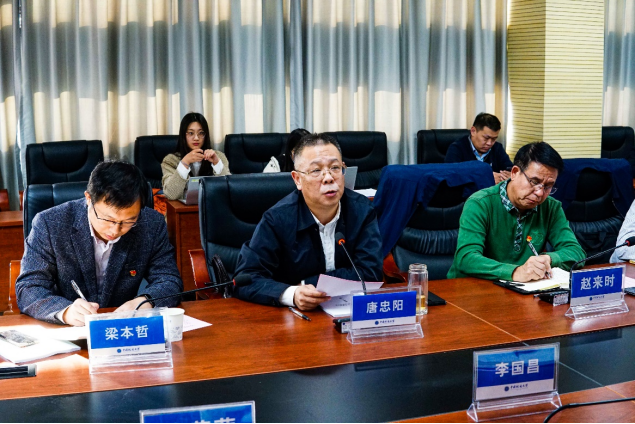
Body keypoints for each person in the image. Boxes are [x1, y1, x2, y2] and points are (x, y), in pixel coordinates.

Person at [16, 161, 184, 326]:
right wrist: (65, 312)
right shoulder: (50, 223)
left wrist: (145, 302)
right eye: (107, 219)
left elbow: (169, 279)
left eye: (128, 221)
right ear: (88, 198)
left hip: (124, 326)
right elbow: (29, 287)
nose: (115, 230)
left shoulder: (151, 224)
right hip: (69, 329)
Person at [233, 133, 383, 310]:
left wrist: (308, 283)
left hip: (348, 312)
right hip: (292, 317)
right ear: (297, 179)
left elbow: (370, 272)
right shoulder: (277, 219)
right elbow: (246, 278)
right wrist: (292, 294)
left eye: (335, 168)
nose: (328, 178)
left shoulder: (362, 210)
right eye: (316, 170)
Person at [447, 142, 585, 283]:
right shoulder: (480, 203)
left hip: (521, 289)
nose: (539, 193)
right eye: (534, 181)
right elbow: (466, 258)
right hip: (472, 288)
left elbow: (576, 252)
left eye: (548, 186)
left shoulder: (551, 207)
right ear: (514, 173)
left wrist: (549, 258)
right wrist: (515, 272)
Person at [161, 112, 231, 200]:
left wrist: (216, 163)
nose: (196, 138)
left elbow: (229, 190)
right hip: (182, 208)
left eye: (201, 133)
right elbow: (171, 194)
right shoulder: (170, 161)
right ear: (183, 136)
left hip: (212, 206)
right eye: (191, 133)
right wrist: (185, 162)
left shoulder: (218, 157)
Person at [445, 113, 514, 184]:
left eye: (494, 139)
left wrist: (510, 175)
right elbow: (451, 176)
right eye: (486, 138)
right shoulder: (457, 149)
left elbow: (509, 169)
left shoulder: (497, 148)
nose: (489, 143)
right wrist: (485, 177)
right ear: (473, 131)